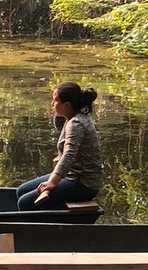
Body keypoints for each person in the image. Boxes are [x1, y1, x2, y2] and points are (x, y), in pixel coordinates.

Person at [16, 82, 103, 210]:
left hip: (83, 182)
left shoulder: (77, 124)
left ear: (67, 105)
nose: (52, 104)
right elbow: (61, 128)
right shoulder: (73, 117)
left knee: (24, 203)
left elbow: (68, 156)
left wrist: (52, 183)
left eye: (55, 100)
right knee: (21, 191)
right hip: (71, 175)